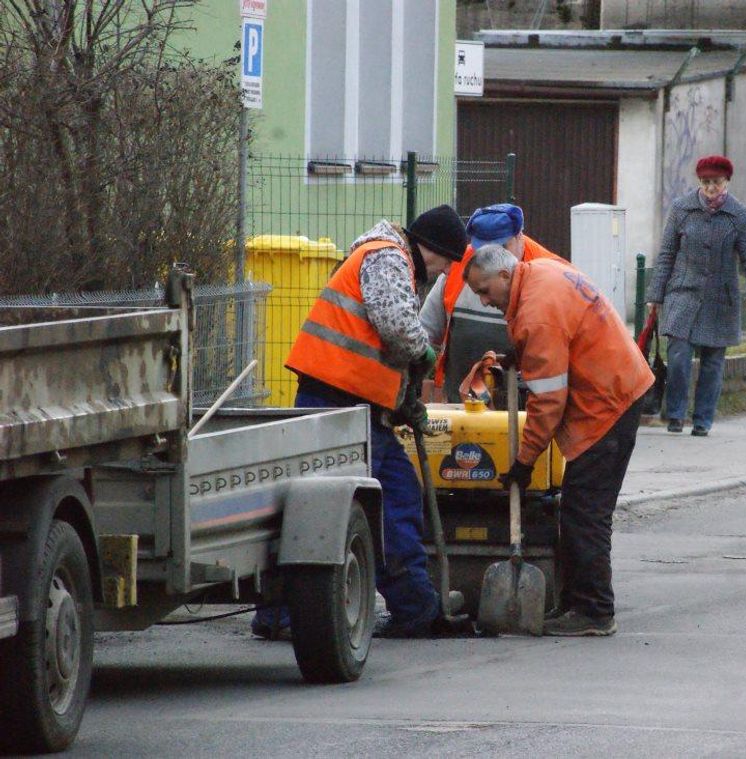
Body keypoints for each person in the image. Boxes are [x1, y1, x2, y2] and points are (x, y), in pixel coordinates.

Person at [252, 204, 468, 641]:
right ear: (432, 250)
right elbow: (394, 326)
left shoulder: (387, 257)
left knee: (393, 497)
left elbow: (377, 350)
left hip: (358, 405)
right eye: (446, 262)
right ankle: (284, 613)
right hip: (337, 402)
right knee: (339, 508)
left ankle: (415, 610)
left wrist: (406, 402)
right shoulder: (388, 256)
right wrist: (423, 353)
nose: (445, 272)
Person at [464, 246, 653, 636]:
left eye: (484, 291)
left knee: (585, 511)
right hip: (620, 386)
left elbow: (548, 400)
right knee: (578, 508)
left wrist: (523, 462)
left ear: (503, 276)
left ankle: (595, 611)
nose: (483, 301)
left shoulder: (537, 312)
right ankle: (575, 603)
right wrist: (521, 353)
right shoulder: (540, 274)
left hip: (607, 403)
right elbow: (562, 332)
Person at [646, 154, 746, 437]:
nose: (711, 188)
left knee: (712, 363)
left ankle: (702, 421)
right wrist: (656, 294)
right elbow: (666, 254)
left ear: (727, 182)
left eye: (717, 182)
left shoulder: (739, 215)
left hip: (720, 299)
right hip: (682, 294)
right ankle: (675, 415)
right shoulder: (681, 210)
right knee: (678, 357)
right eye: (706, 182)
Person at [420, 204, 563, 402]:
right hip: (460, 406)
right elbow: (425, 331)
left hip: (525, 410)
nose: (492, 258)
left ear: (519, 237)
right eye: (483, 250)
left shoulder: (551, 274)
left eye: (502, 248)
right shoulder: (456, 266)